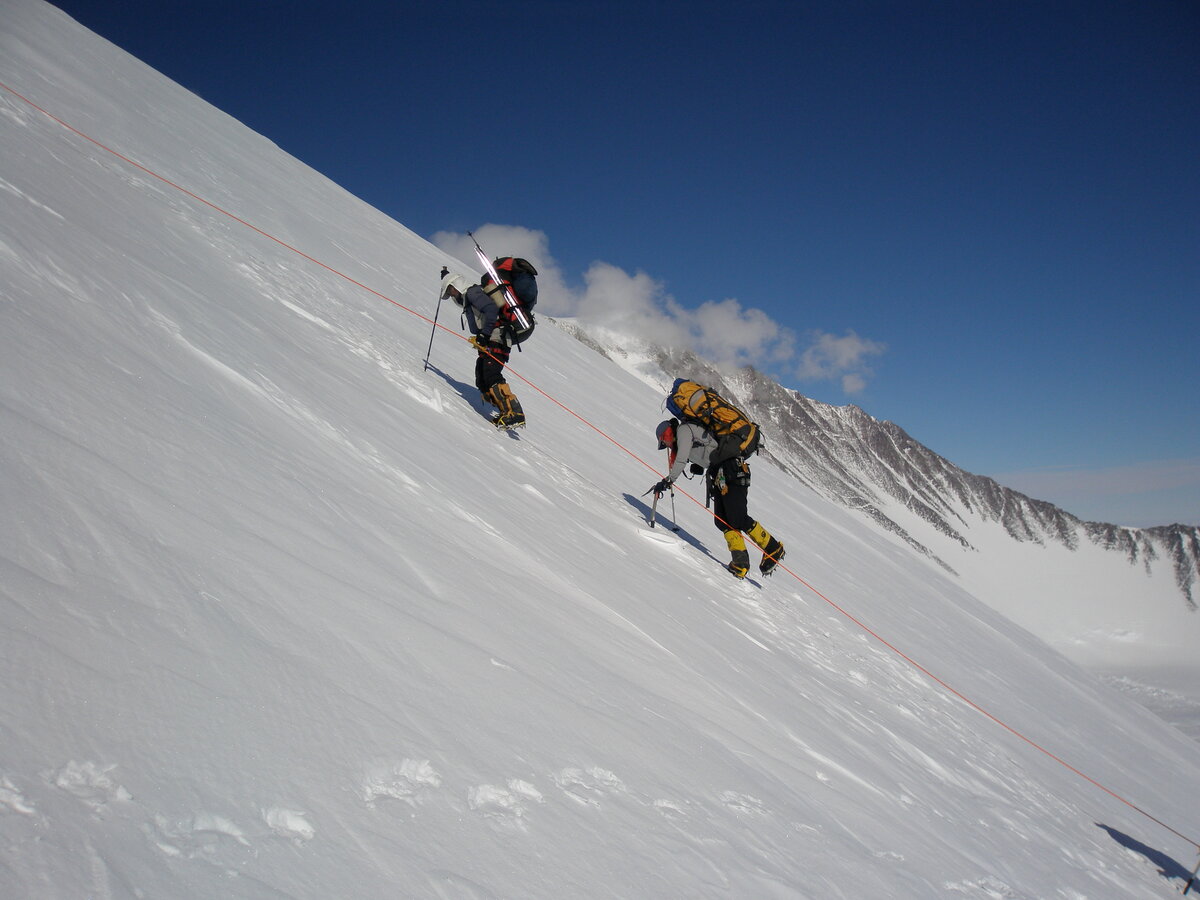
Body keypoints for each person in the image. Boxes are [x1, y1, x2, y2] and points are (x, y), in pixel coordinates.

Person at [650, 417, 786, 579]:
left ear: (666, 434)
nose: (666, 445)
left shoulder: (683, 431)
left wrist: (668, 480)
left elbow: (681, 458)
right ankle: (740, 562)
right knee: (721, 520)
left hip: (732, 470)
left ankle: (773, 548)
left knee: (737, 517)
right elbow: (707, 449)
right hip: (721, 474)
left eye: (664, 441)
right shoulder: (685, 434)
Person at [440, 270, 526, 429]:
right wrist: (445, 276)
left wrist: (484, 335)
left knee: (491, 374)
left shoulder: (472, 293)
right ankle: (504, 411)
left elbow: (491, 310)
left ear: (456, 285)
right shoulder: (468, 296)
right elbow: (466, 305)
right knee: (482, 376)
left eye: (450, 290)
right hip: (492, 339)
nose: (451, 294)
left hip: (497, 337)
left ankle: (514, 413)